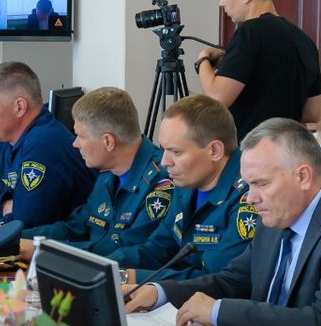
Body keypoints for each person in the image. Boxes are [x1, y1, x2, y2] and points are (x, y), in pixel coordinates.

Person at [126, 118, 321, 326]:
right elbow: (231, 281)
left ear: (302, 176)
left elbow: (319, 323)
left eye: (261, 184)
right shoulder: (277, 216)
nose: (250, 198)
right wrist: (159, 293)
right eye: (249, 185)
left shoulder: (282, 213)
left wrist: (219, 312)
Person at [107, 94, 252, 282]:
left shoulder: (249, 197)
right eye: (164, 149)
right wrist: (105, 265)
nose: (165, 162)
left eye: (176, 152)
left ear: (214, 151)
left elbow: (215, 280)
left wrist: (129, 277)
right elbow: (158, 250)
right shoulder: (187, 182)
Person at [20, 87, 171, 258]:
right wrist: (13, 237)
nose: (75, 144)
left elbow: (126, 252)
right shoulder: (108, 172)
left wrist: (45, 250)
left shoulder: (161, 182)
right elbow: (75, 227)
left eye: (80, 136)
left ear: (108, 142)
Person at [195, 0, 321, 139]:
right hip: (287, 147)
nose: (221, 2)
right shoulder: (305, 41)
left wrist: (203, 60)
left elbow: (217, 99)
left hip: (250, 148)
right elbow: (313, 113)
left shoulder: (249, 32)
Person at [0, 62, 95, 239]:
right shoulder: (7, 142)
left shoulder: (44, 144)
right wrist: (6, 206)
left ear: (19, 107)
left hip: (57, 250)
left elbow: (26, 225)